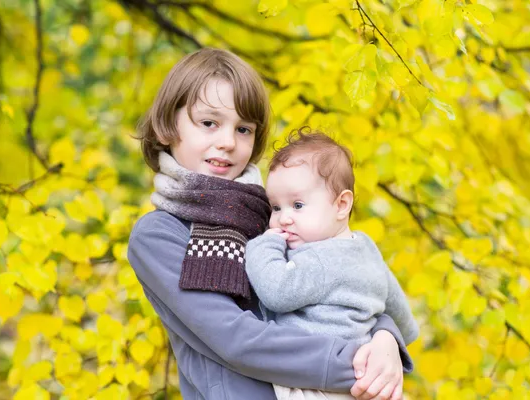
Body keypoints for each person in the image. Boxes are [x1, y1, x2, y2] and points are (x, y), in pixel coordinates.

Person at [127, 47, 413, 400]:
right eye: (209, 123)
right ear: (167, 127)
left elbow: (348, 278)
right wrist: (359, 364)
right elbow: (235, 339)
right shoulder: (160, 235)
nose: (228, 142)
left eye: (243, 129)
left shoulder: (277, 213)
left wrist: (385, 340)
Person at [245, 129, 419, 400]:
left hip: (316, 386)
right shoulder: (366, 248)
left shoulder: (319, 259)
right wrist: (387, 339)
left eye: (298, 205)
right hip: (355, 380)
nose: (283, 218)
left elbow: (276, 292)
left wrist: (262, 246)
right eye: (276, 207)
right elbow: (404, 320)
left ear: (342, 205)